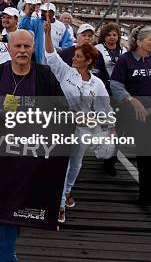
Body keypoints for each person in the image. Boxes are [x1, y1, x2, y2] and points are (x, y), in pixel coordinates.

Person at [0, 29, 64, 262]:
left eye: (27, 47)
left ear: (34, 48)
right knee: (6, 207)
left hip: (31, 156)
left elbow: (61, 111)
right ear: (9, 48)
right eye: (18, 47)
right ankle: (6, 257)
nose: (22, 51)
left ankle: (9, 243)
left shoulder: (45, 76)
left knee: (15, 208)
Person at [44, 20, 114, 223]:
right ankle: (59, 204)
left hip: (83, 129)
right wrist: (47, 34)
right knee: (62, 164)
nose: (73, 59)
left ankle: (66, 191)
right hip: (61, 125)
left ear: (88, 61)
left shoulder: (97, 84)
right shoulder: (66, 72)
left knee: (75, 163)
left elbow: (104, 110)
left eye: (77, 57)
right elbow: (51, 56)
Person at [111, 26, 151, 206]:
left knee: (146, 153)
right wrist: (132, 100)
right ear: (139, 42)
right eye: (150, 39)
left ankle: (147, 195)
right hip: (127, 110)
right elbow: (116, 85)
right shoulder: (125, 60)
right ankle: (109, 162)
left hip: (147, 113)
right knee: (116, 138)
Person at [96, 22, 128, 176]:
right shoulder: (98, 50)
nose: (112, 37)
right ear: (104, 36)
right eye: (109, 35)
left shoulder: (124, 51)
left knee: (118, 128)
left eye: (114, 35)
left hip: (120, 94)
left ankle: (111, 160)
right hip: (104, 92)